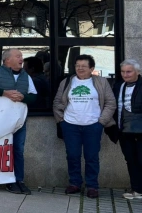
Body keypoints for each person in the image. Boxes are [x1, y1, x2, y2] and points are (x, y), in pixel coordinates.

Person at [53, 55, 116, 199]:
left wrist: (101, 122)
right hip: (70, 125)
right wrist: (62, 121)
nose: (80, 68)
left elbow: (110, 103)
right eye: (77, 65)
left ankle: (92, 186)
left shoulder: (101, 82)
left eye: (83, 66)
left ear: (92, 69)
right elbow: (57, 102)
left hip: (93, 125)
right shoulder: (67, 82)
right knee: (73, 155)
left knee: (92, 157)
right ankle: (75, 183)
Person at [0, 49, 37, 195]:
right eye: (18, 56)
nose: (21, 58)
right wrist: (4, 93)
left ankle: (19, 180)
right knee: (3, 149)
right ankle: (8, 181)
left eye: (21, 56)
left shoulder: (26, 76)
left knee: (18, 149)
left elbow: (33, 95)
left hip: (19, 119)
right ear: (7, 60)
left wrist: (23, 97)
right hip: (0, 119)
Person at [114, 59, 142, 200]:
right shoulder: (119, 86)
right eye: (123, 71)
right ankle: (136, 190)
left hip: (140, 131)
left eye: (129, 71)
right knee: (131, 160)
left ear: (137, 72)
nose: (125, 74)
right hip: (125, 131)